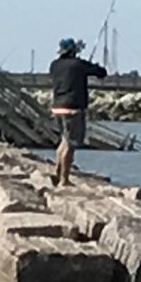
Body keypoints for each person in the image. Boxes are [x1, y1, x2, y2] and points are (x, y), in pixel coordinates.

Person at [49, 37, 107, 186]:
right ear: (72, 51)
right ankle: (64, 179)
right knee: (70, 144)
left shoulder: (54, 65)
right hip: (73, 108)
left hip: (57, 107)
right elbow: (101, 72)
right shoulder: (79, 64)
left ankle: (57, 173)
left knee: (63, 141)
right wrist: (92, 65)